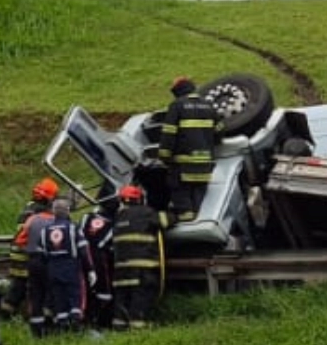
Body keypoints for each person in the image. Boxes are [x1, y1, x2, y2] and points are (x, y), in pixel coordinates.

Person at [160, 81, 222, 221]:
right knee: (199, 193)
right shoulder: (208, 105)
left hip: (183, 165)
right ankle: (198, 215)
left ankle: (185, 214)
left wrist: (164, 155)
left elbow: (169, 132)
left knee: (178, 188)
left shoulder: (177, 105)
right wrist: (211, 143)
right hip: (205, 163)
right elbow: (220, 129)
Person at [28, 196, 90, 334]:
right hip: (71, 268)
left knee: (59, 298)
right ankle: (75, 326)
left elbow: (41, 254)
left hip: (53, 268)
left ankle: (62, 326)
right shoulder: (73, 228)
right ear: (67, 211)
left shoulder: (45, 231)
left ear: (54, 212)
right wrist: (90, 269)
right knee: (75, 296)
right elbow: (83, 251)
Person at [112, 186, 166, 328]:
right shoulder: (146, 212)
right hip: (142, 267)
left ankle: (119, 324)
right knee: (140, 295)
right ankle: (138, 326)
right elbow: (164, 221)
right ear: (139, 199)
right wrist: (175, 214)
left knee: (122, 296)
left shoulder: (118, 216)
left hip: (121, 267)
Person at [5, 178, 58, 320]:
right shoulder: (39, 212)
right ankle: (29, 314)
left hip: (18, 252)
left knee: (19, 284)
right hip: (27, 254)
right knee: (27, 286)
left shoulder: (29, 207)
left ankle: (8, 312)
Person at [81, 200, 116, 330]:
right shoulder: (114, 224)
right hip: (101, 262)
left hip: (83, 259)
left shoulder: (86, 218)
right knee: (104, 292)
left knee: (86, 290)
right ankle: (101, 324)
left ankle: (87, 321)